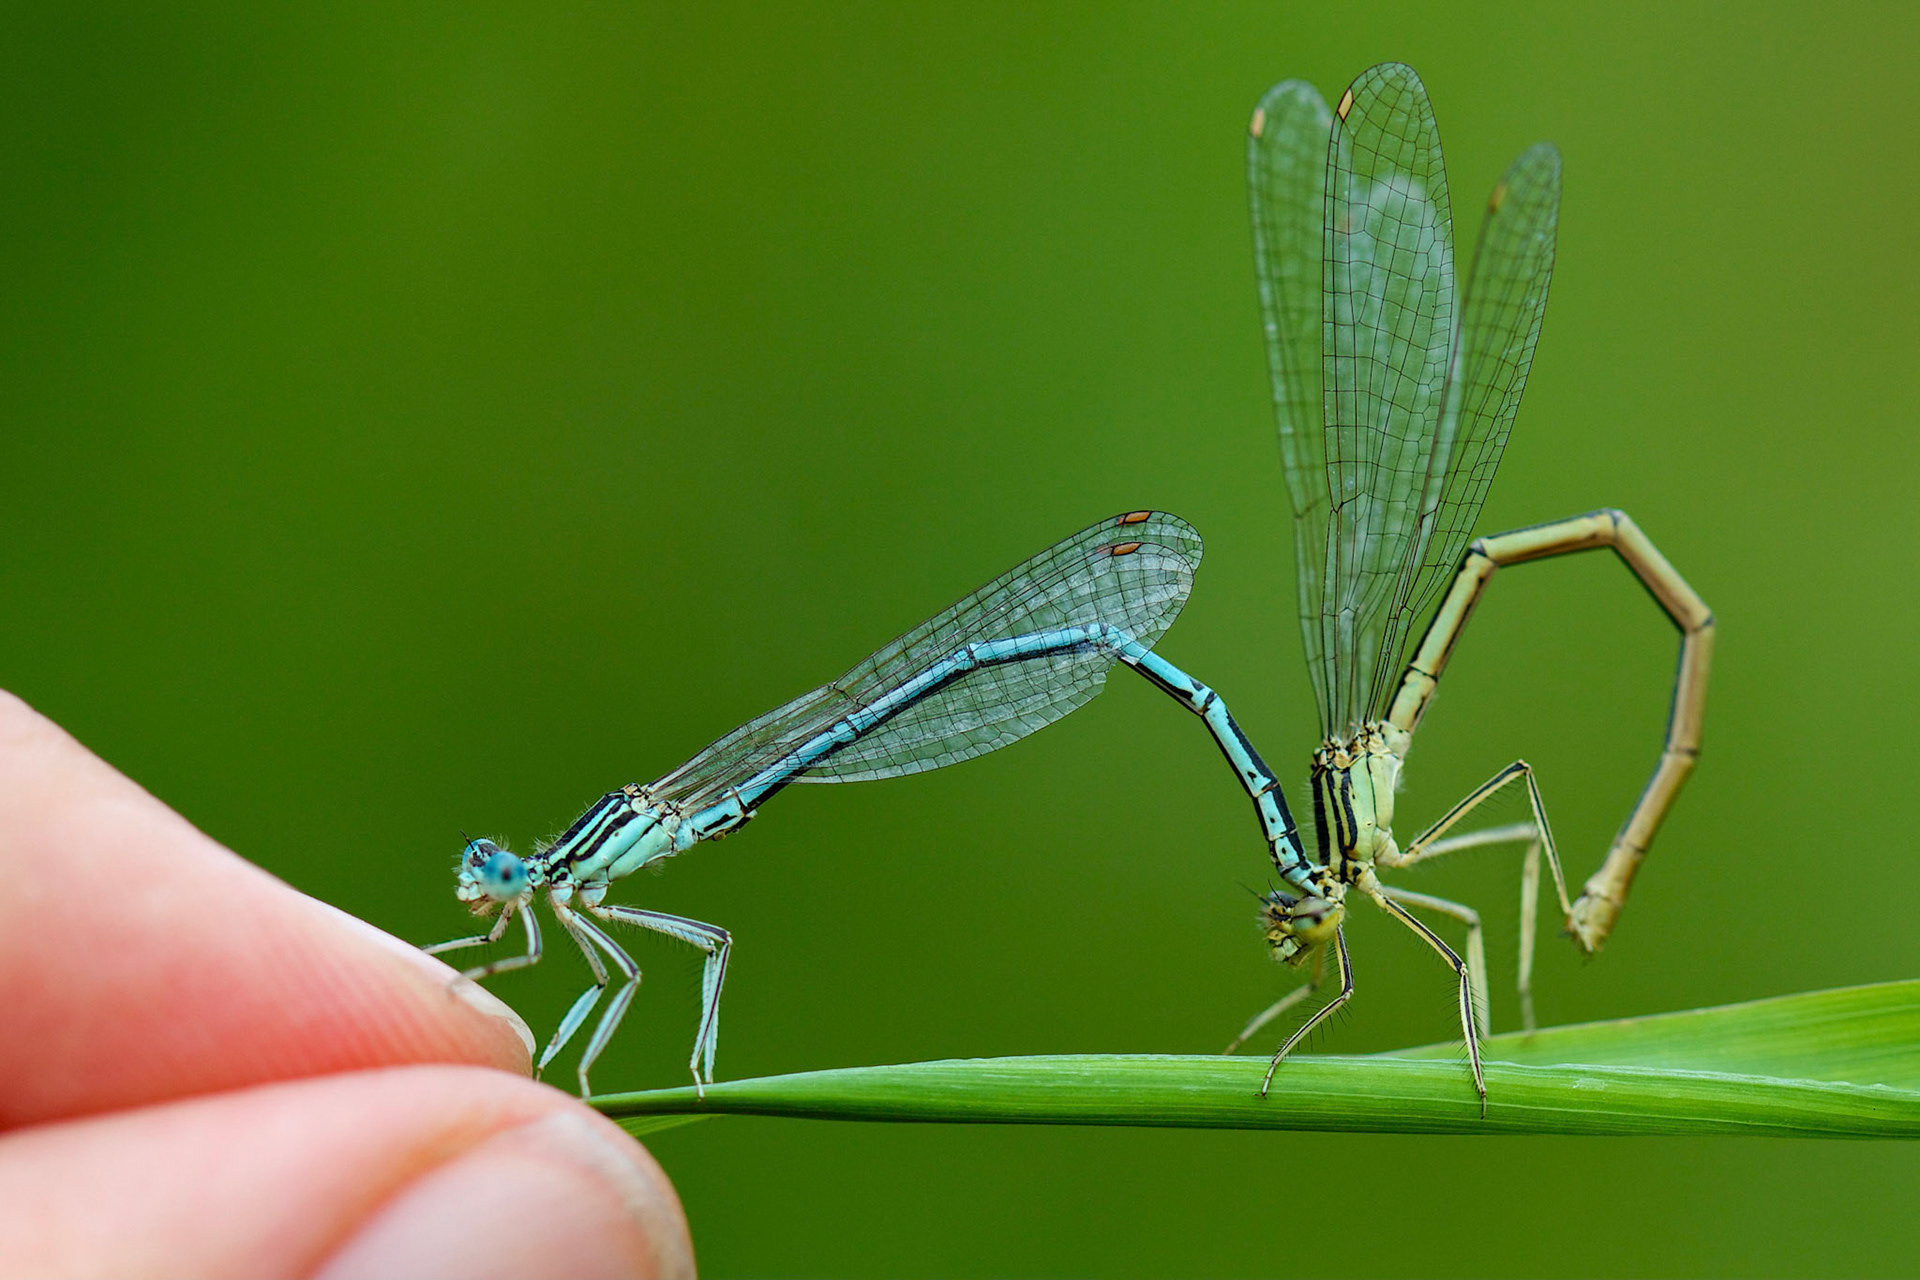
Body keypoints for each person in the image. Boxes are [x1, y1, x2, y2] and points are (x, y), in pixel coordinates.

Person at [0, 692, 695, 1278]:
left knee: (641, 967)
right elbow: (493, 940)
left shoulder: (554, 890)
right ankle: (574, 1078)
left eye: (496, 878)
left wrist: (478, 976)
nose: (486, 888)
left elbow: (538, 959)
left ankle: (672, 1072)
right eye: (493, 875)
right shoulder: (542, 886)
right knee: (613, 973)